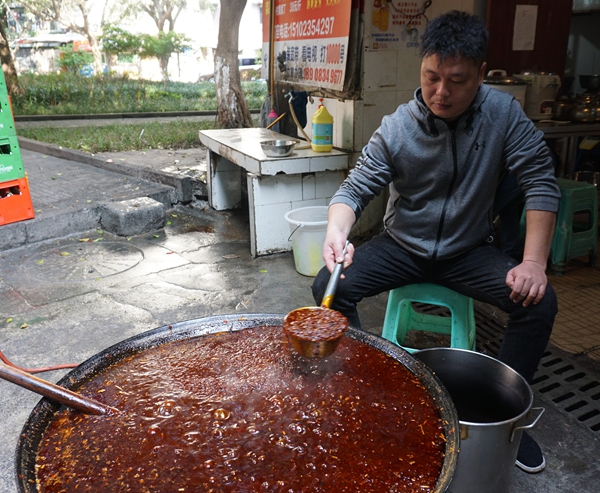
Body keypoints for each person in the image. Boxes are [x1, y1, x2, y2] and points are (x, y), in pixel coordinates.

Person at [311, 10, 560, 474]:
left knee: (539, 303)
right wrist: (336, 233)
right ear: (420, 69)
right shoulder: (398, 126)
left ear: (481, 76)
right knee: (330, 284)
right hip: (402, 246)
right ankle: (368, 385)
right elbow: (354, 188)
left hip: (467, 252)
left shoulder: (503, 115)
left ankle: (510, 421)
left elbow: (541, 182)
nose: (441, 92)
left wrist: (533, 262)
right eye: (431, 77)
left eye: (457, 81)